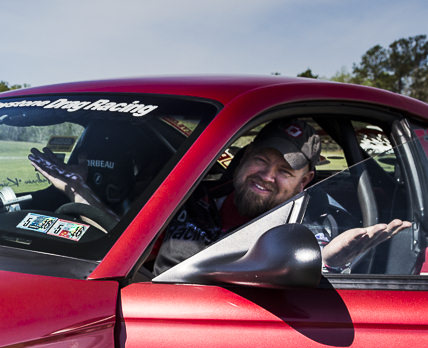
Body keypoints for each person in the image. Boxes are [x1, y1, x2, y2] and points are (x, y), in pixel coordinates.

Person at [29, 119, 411, 275]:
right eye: (261, 160)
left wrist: (326, 261)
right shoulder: (196, 197)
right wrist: (80, 193)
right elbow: (134, 248)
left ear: (306, 180)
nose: (267, 176)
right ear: (244, 158)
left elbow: (302, 276)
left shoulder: (315, 223)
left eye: (285, 171)